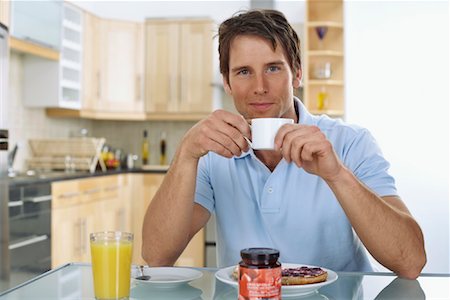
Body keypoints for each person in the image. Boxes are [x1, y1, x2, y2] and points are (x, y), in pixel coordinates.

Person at [142, 9, 426, 279]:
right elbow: (157, 256)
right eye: (243, 72)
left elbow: (410, 261)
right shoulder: (212, 153)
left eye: (273, 68)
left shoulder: (351, 142)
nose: (259, 86)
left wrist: (336, 174)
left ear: (297, 74)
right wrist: (186, 154)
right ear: (227, 83)